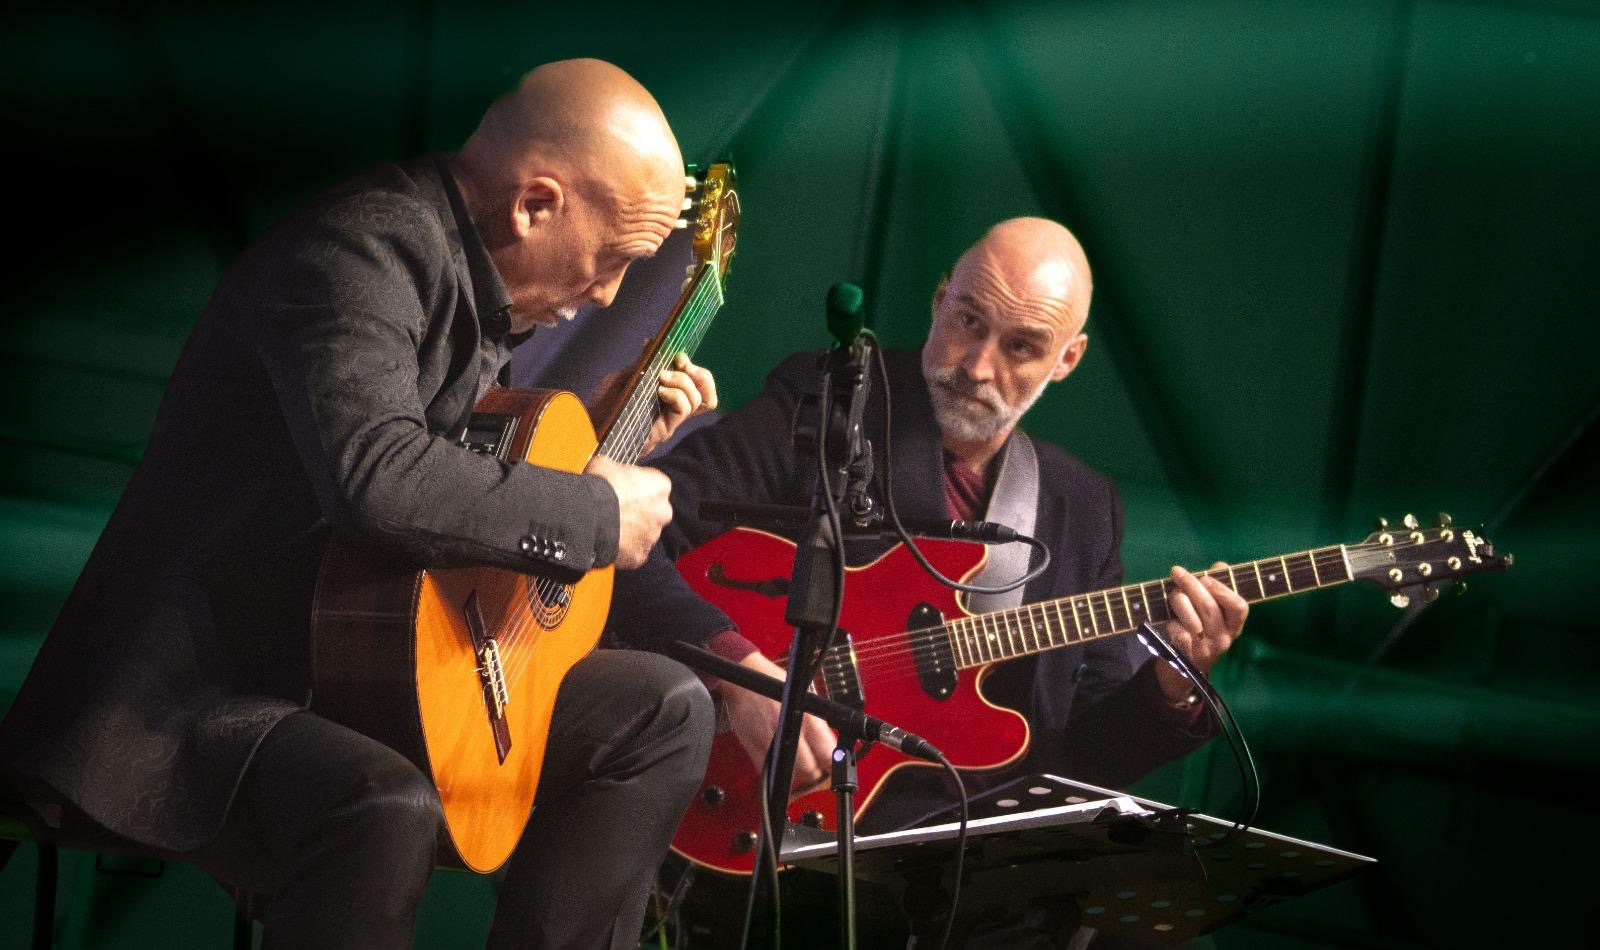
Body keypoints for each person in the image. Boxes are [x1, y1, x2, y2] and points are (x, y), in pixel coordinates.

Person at [0, 59, 720, 949]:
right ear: (535, 205)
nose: (607, 294)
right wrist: (597, 516)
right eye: (610, 260)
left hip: (355, 663)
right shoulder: (363, 249)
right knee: (383, 805)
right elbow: (378, 479)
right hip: (192, 695)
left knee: (662, 709)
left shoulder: (467, 273)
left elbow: (449, 482)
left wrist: (603, 440)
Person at [607, 216, 1250, 945]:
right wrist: (742, 675)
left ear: (1067, 359)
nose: (977, 366)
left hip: (969, 883)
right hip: (786, 834)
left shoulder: (1084, 509)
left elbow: (1081, 759)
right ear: (941, 298)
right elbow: (621, 537)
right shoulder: (829, 401)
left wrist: (1172, 685)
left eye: (1022, 347)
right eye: (969, 320)